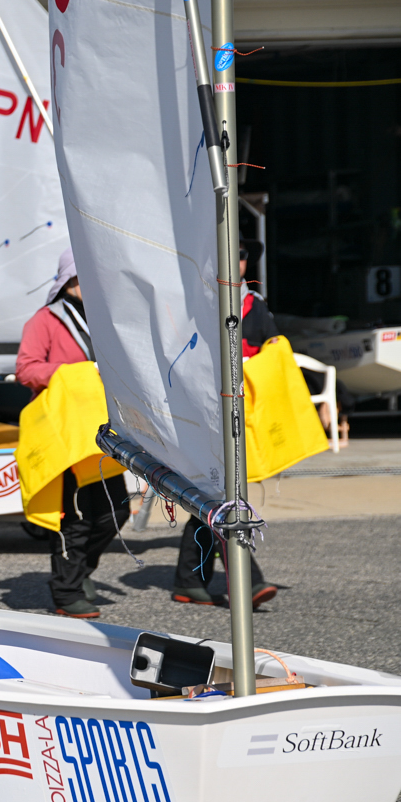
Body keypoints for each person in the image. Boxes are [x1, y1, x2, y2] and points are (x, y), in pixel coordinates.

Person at [16, 247, 127, 620]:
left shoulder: (104, 317)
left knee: (116, 511)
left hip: (101, 432)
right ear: (68, 280)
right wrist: (72, 373)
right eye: (83, 277)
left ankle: (79, 575)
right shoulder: (45, 320)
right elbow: (26, 369)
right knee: (75, 519)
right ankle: (66, 592)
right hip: (63, 434)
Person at [171, 241, 279, 608]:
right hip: (207, 408)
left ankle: (189, 579)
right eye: (232, 253)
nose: (239, 260)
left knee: (211, 493)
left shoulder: (255, 304)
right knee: (220, 494)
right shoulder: (201, 300)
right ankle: (248, 581)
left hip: (242, 410)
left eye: (244, 255)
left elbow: (273, 348)